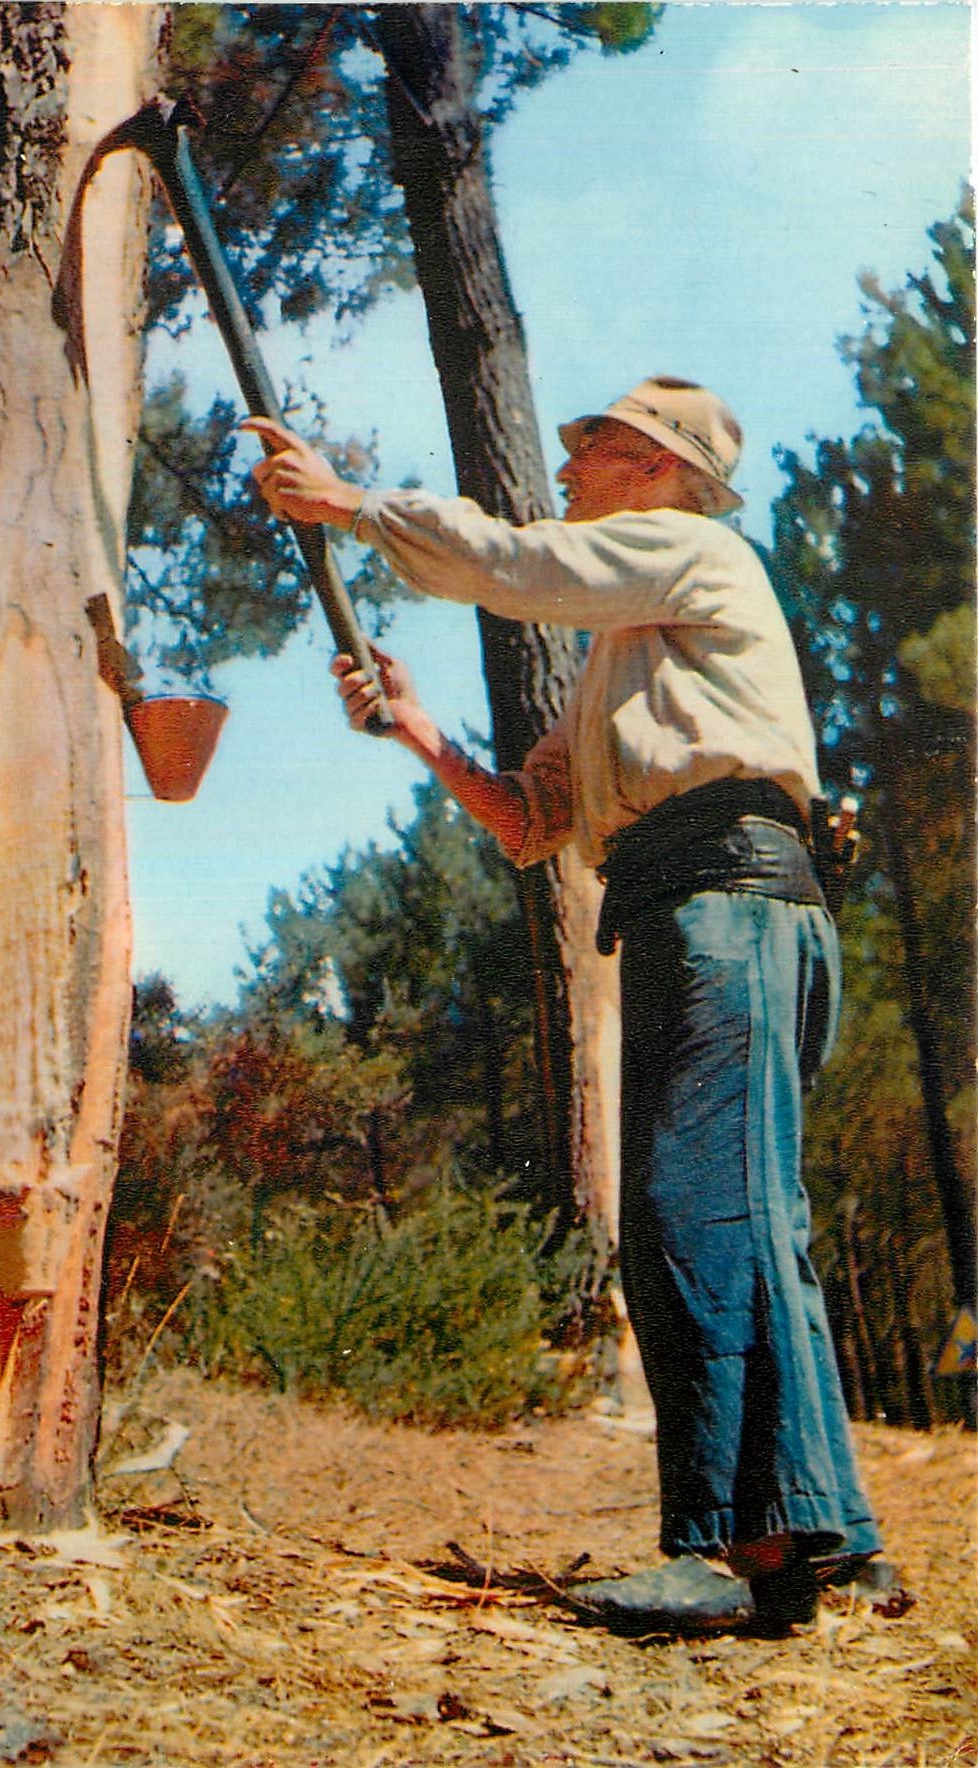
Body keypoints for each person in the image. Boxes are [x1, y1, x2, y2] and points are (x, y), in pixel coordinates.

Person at [243, 377, 885, 1638]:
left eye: (586, 452)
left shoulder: (689, 549)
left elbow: (515, 561)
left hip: (724, 904)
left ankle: (731, 1550)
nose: (566, 471)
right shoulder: (624, 657)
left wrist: (352, 505)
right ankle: (830, 1539)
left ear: (653, 466)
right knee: (749, 1212)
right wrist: (422, 737)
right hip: (696, 911)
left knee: (692, 1206)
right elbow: (536, 825)